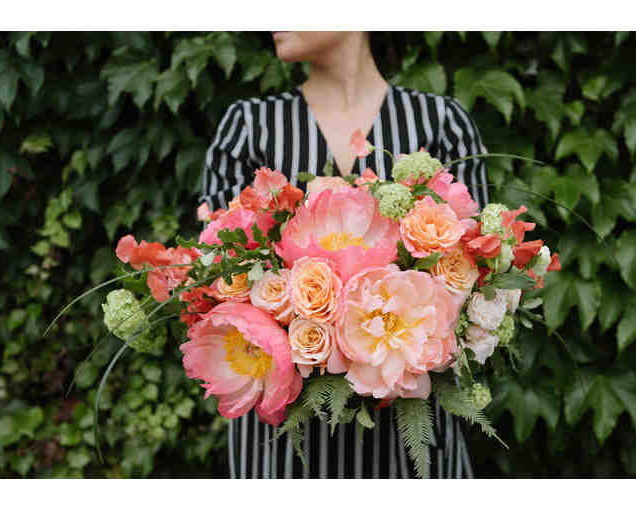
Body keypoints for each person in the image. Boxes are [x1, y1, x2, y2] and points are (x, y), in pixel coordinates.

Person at [199, 31, 487, 479]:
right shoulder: (250, 128)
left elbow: (477, 280)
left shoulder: (439, 124)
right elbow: (213, 281)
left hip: (410, 450)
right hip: (281, 454)